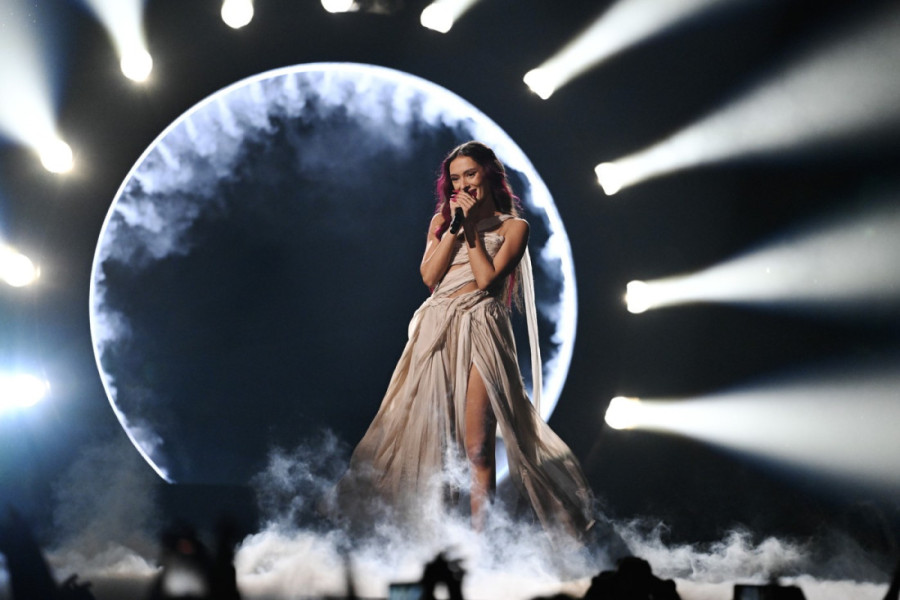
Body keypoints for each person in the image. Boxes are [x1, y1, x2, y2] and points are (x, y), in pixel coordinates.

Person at [334, 141, 594, 539]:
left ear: (489, 173)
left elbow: (489, 279)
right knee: (429, 443)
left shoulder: (514, 227)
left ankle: (481, 544)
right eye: (455, 178)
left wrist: (471, 227)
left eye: (470, 174)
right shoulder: (442, 221)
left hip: (482, 327)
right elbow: (429, 277)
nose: (463, 184)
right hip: (437, 326)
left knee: (477, 448)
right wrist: (454, 228)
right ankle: (426, 538)